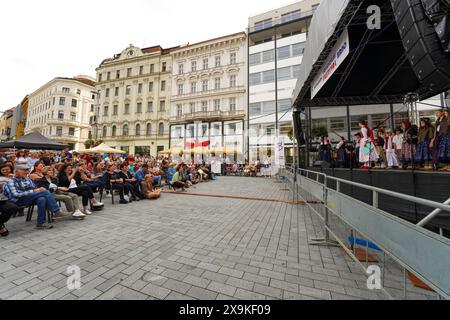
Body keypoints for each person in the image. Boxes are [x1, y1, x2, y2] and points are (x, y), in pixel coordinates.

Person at [3, 164, 67, 229]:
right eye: (24, 170)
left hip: (28, 198)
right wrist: (33, 191)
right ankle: (56, 211)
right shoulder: (10, 181)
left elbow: (34, 187)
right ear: (16, 171)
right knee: (44, 192)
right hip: (16, 202)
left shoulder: (26, 179)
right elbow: (16, 194)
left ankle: (40, 223)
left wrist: (35, 190)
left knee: (42, 199)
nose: (27, 172)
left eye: (27, 170)